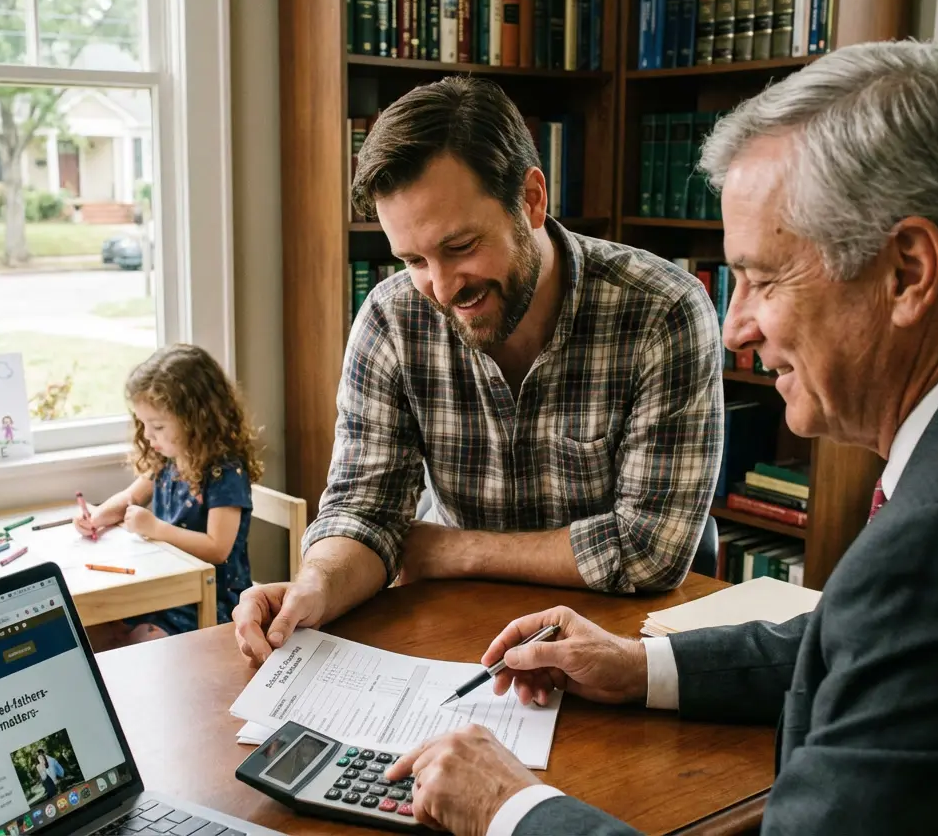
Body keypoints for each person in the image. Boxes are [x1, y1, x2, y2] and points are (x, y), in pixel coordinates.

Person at [377, 40, 938, 836]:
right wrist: (639, 666)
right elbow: (866, 645)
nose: (735, 328)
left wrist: (508, 807)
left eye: (763, 278)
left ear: (909, 270)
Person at [235, 77, 724, 664]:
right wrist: (314, 586)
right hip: (457, 639)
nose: (441, 289)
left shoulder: (662, 309)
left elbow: (649, 550)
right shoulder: (392, 318)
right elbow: (363, 511)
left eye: (461, 246)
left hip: (615, 643)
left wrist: (448, 550)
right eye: (414, 260)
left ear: (532, 199)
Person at [78, 343, 263, 650]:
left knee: (135, 645)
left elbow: (218, 548)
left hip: (208, 600)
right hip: (164, 589)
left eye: (158, 426)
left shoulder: (225, 473)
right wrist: (97, 517)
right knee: (90, 630)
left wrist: (155, 529)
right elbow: (129, 498)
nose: (148, 435)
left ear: (196, 420)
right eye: (143, 424)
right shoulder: (167, 461)